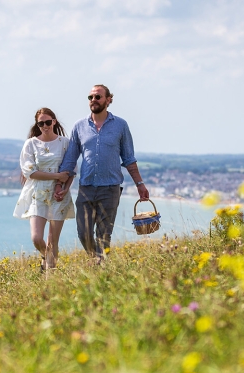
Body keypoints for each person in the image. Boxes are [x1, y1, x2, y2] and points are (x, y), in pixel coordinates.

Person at [55, 85, 149, 264]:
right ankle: (96, 260)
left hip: (110, 189)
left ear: (108, 100)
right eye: (90, 97)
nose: (93, 100)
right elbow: (70, 160)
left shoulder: (120, 125)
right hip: (86, 189)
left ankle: (100, 268)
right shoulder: (79, 126)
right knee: (83, 233)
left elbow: (128, 158)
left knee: (104, 235)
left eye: (97, 97)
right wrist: (60, 184)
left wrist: (140, 184)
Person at [13, 108, 74, 269]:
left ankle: (50, 281)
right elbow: (30, 172)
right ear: (37, 125)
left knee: (53, 242)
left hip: (59, 195)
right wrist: (56, 177)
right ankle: (45, 258)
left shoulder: (65, 143)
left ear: (54, 121)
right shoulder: (31, 144)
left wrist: (65, 188)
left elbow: (71, 171)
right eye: (41, 123)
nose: (45, 126)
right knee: (36, 238)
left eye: (48, 122)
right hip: (37, 194)